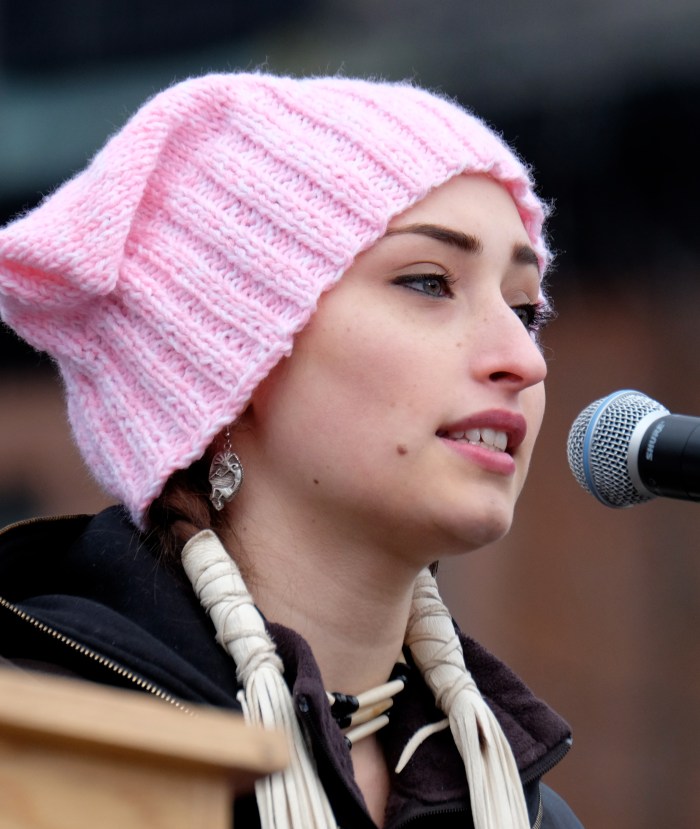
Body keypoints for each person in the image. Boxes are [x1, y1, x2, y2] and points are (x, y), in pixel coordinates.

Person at [0, 73, 583, 829]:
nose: (525, 360)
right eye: (429, 282)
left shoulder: (526, 809)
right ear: (232, 361)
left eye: (525, 308)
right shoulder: (33, 754)